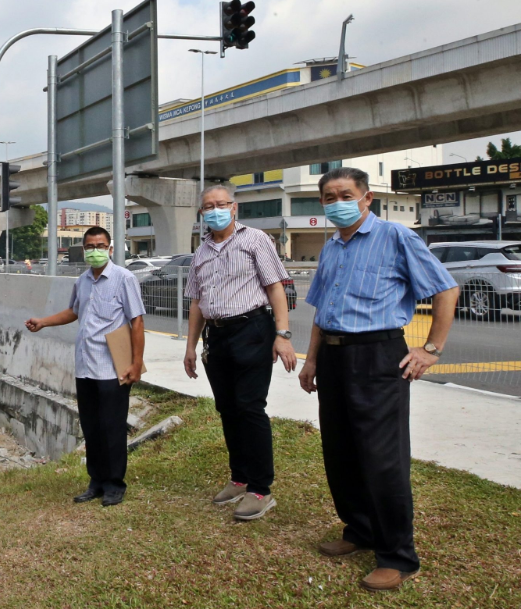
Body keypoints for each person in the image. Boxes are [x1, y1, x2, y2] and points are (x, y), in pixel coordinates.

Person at [297, 167, 458, 592]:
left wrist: (431, 349)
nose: (337, 202)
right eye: (329, 197)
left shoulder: (396, 237)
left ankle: (397, 554)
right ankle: (360, 530)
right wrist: (311, 360)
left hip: (377, 355)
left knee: (382, 459)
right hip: (332, 357)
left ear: (367, 198)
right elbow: (320, 310)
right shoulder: (332, 247)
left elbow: (446, 290)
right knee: (341, 449)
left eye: (345, 194)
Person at [183, 185, 297, 521]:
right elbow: (196, 302)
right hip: (216, 336)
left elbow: (275, 287)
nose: (215, 210)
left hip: (252, 330)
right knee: (228, 408)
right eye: (208, 206)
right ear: (202, 213)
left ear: (234, 208)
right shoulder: (201, 252)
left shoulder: (256, 240)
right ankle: (240, 476)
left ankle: (260, 489)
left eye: (221, 204)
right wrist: (190, 346)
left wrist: (282, 335)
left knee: (249, 407)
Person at [25, 226, 145, 507]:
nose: (95, 250)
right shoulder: (82, 281)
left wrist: (136, 363)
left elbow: (137, 322)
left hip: (112, 367)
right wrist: (43, 321)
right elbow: (74, 311)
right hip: (85, 367)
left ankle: (115, 484)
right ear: (83, 248)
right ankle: (96, 481)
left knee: (112, 427)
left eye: (100, 245)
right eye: (90, 245)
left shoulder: (124, 279)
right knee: (91, 428)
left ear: (110, 248)